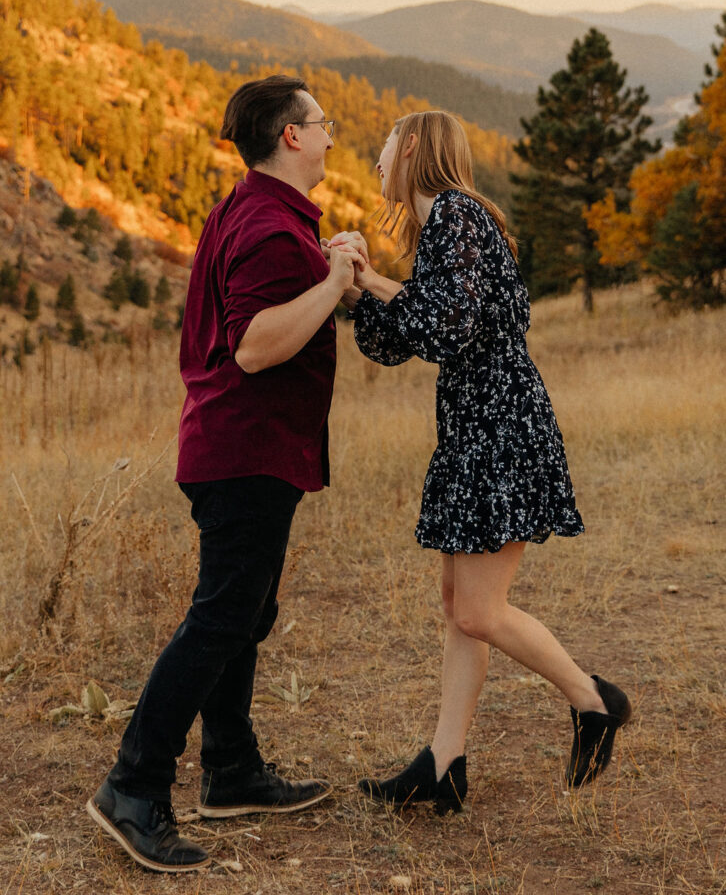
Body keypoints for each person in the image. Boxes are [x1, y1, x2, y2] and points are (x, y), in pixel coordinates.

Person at [86, 75, 366, 872]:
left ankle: (232, 769)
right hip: (244, 451)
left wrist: (328, 264)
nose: (332, 135)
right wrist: (335, 281)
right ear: (291, 137)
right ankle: (133, 786)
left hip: (241, 450)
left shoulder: (255, 211)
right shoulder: (272, 229)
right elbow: (255, 345)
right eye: (323, 123)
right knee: (219, 622)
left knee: (245, 614)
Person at [335, 110, 631, 814]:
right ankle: (444, 763)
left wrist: (371, 283)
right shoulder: (440, 226)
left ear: (410, 147)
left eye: (381, 149)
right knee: (457, 607)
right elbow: (396, 342)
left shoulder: (458, 217)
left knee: (478, 609)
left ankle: (594, 700)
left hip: (499, 429)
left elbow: (445, 326)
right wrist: (358, 287)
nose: (376, 163)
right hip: (473, 430)